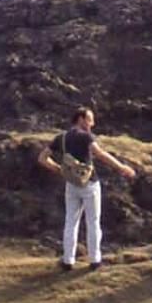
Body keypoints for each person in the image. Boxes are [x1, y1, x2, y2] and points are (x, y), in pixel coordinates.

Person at [40, 106, 137, 271]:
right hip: (89, 182)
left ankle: (68, 260)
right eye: (90, 119)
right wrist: (122, 167)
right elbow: (99, 154)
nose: (93, 123)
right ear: (81, 119)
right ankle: (94, 260)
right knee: (93, 222)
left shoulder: (60, 138)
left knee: (71, 221)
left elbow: (42, 158)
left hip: (71, 184)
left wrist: (60, 170)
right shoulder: (86, 137)